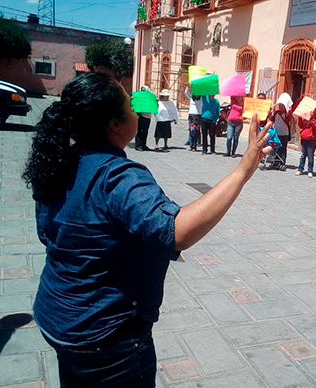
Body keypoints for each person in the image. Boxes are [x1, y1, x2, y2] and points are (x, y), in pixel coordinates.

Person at [21, 72, 272, 387]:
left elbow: (54, 234)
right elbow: (177, 232)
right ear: (114, 123)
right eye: (129, 104)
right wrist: (243, 169)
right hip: (105, 336)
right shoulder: (119, 177)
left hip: (57, 320)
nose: (136, 109)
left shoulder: (61, 162)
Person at [295, 105, 316, 178]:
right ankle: (300, 169)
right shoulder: (306, 117)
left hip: (312, 140)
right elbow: (301, 126)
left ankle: (310, 170)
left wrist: (311, 119)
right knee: (303, 155)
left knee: (310, 156)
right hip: (304, 139)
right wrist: (300, 119)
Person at [269, 93, 294, 169]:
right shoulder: (276, 113)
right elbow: (271, 119)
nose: (280, 107)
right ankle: (276, 161)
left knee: (283, 149)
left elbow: (290, 120)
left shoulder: (287, 114)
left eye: (282, 105)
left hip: (284, 134)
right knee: (276, 148)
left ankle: (282, 162)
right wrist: (273, 111)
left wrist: (288, 110)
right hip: (277, 133)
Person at [134, 86, 152, 151]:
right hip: (140, 116)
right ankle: (138, 145)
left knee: (145, 132)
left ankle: (143, 145)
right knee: (139, 131)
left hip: (147, 117)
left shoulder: (150, 97)